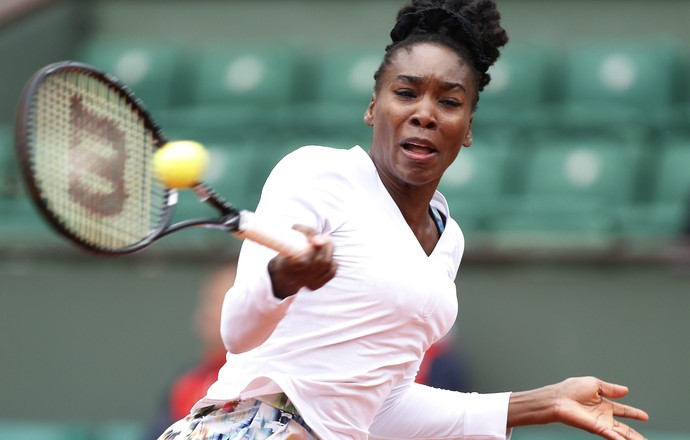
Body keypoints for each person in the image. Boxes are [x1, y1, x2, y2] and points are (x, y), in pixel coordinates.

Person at [159, 1, 649, 439]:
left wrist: (544, 403)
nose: (425, 114)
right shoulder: (316, 173)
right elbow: (238, 334)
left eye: (449, 102)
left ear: (469, 128)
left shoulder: (447, 240)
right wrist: (281, 279)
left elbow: (383, 406)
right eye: (406, 93)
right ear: (374, 107)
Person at [146, 263, 237, 438]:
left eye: (220, 301)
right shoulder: (185, 382)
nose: (209, 312)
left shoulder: (266, 385)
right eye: (208, 299)